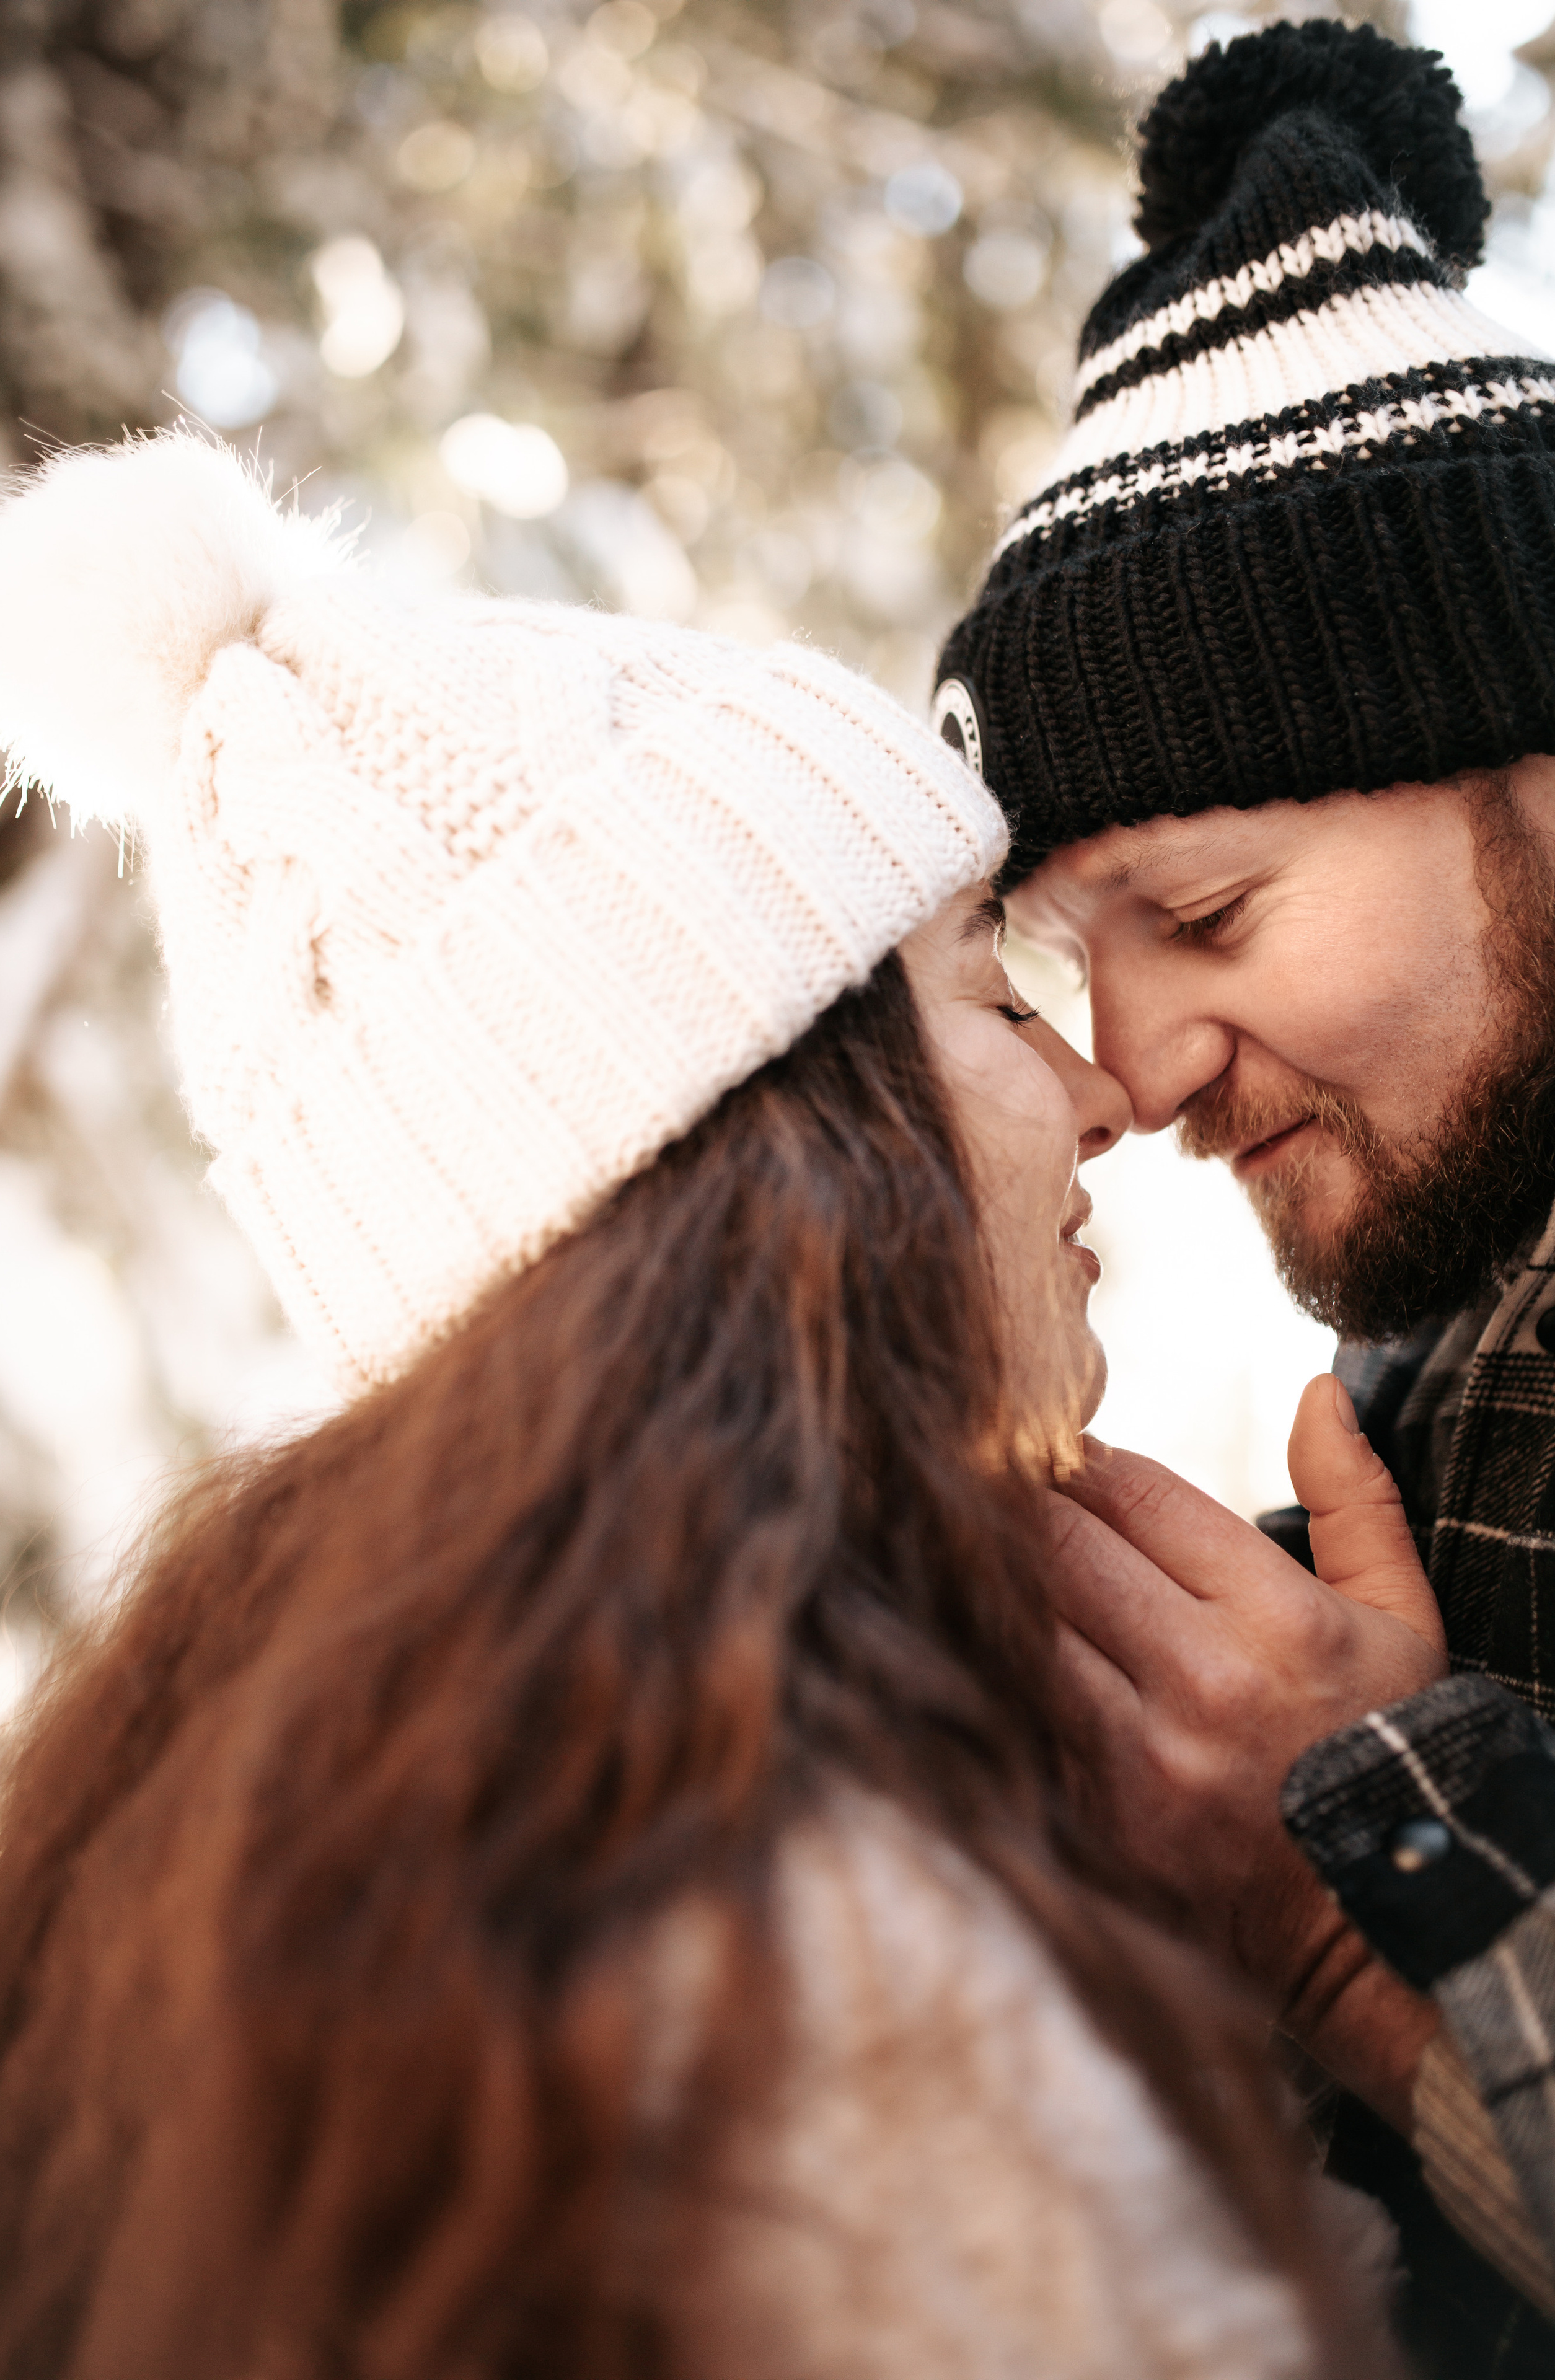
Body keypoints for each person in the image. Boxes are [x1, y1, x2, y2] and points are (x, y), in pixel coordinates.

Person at [0, 431, 1400, 2379]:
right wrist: (1370, 1929)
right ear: (770, 1135)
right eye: (986, 993)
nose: (1098, 1092)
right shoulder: (805, 1989)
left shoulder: (408, 1831)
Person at [935, 15, 1555, 2376]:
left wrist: (1347, 1876)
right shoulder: (1462, 1302)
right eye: (1075, 972)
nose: (1142, 1075)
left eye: (1204, 915)